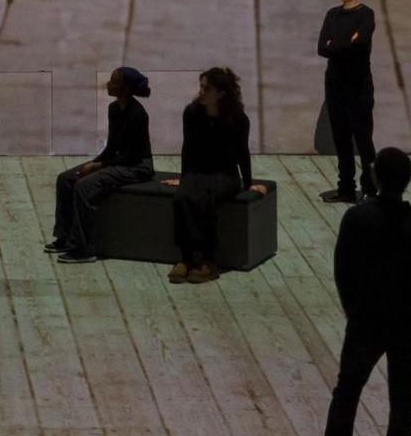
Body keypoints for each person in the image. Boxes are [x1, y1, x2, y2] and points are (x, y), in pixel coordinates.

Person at [307, 146, 411, 436]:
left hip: (366, 320)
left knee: (347, 392)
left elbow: (343, 270)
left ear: (376, 177)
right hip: (406, 325)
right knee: (402, 401)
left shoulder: (357, 219)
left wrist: (353, 309)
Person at [47, 67, 153, 263]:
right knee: (66, 179)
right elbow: (113, 146)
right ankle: (64, 236)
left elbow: (132, 155)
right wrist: (95, 162)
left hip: (137, 166)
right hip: (120, 161)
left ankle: (84, 248)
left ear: (125, 88)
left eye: (114, 81)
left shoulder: (138, 114)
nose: (108, 83)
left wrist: (98, 166)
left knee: (84, 186)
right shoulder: (114, 109)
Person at [169, 67, 263, 285]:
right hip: (198, 172)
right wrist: (185, 179)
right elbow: (187, 150)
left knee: (205, 200)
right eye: (201, 87)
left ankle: (208, 260)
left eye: (207, 88)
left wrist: (248, 183)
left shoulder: (238, 119)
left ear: (221, 92)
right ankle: (186, 257)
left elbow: (242, 153)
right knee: (182, 197)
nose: (201, 91)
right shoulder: (192, 114)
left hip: (225, 174)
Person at [317, 0, 380, 201]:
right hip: (335, 85)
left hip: (358, 87)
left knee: (363, 140)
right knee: (341, 139)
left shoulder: (366, 15)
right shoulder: (332, 14)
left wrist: (336, 44)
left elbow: (360, 45)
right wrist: (346, 44)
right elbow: (322, 48)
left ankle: (370, 190)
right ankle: (345, 188)